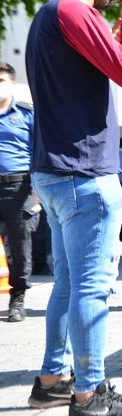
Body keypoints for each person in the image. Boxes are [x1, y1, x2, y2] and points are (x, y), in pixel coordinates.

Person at [24, 0, 122, 414]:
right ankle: (90, 393)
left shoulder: (48, 15)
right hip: (83, 175)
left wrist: (116, 31)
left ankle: (52, 379)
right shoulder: (75, 13)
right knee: (91, 288)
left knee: (67, 283)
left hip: (54, 171)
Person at [0, 61, 37, 323]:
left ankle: (18, 296)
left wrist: (38, 190)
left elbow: (40, 152)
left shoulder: (26, 114)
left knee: (19, 243)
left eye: (1, 80)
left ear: (12, 83)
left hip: (18, 187)